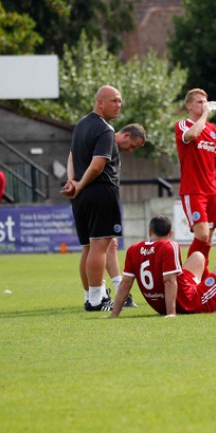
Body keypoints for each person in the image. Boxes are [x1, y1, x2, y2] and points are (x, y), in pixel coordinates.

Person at [62, 86, 146, 311]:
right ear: (100, 102)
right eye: (115, 101)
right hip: (101, 192)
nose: (119, 105)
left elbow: (71, 156)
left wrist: (73, 182)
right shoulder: (105, 129)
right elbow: (98, 165)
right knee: (100, 247)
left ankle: (90, 296)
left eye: (120, 101)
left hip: (81, 196)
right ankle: (97, 301)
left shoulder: (80, 125)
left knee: (88, 248)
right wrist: (79, 182)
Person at [109, 216, 216, 317]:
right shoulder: (169, 246)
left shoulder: (133, 249)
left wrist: (114, 314)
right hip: (191, 304)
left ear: (150, 232)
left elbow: (125, 283)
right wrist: (171, 313)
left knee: (198, 256)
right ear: (170, 233)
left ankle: (202, 287)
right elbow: (170, 281)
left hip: (162, 305)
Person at [175, 88, 216, 278]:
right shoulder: (183, 125)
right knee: (201, 235)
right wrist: (204, 116)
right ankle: (186, 277)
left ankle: (202, 278)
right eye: (199, 102)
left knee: (209, 240)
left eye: (205, 102)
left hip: (211, 190)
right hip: (193, 190)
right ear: (189, 105)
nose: (204, 105)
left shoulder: (212, 130)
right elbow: (192, 135)